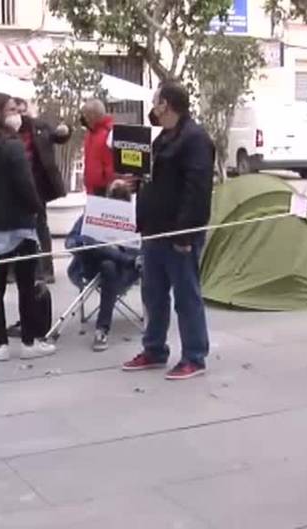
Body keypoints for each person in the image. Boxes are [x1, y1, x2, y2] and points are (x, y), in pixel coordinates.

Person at [121, 82, 214, 381]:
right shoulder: (162, 138)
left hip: (178, 233)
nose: (153, 106)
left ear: (167, 104)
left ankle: (194, 356)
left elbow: (197, 190)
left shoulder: (195, 139)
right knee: (154, 294)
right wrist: (135, 184)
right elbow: (154, 176)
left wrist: (185, 234)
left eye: (156, 101)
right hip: (153, 230)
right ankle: (154, 349)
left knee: (186, 296)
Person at [0, 93, 56, 361]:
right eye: (11, 109)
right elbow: (26, 185)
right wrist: (37, 209)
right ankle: (28, 343)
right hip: (20, 224)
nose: (17, 114)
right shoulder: (13, 146)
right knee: (26, 285)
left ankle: (2, 344)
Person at [66, 180, 139, 351]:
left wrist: (123, 248)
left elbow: (141, 249)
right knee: (100, 253)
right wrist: (89, 240)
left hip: (121, 272)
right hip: (93, 266)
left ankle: (102, 329)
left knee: (109, 265)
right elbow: (70, 241)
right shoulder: (93, 214)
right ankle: (101, 330)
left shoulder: (135, 219)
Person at [14, 98, 71, 283]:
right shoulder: (6, 132)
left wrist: (66, 131)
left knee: (40, 226)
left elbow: (58, 136)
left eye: (24, 111)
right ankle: (19, 270)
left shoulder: (39, 127)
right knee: (17, 228)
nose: (22, 115)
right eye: (17, 111)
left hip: (37, 185)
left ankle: (46, 270)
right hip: (15, 187)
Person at [81, 99, 115, 196]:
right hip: (92, 189)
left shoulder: (110, 134)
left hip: (103, 191)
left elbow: (111, 165)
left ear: (93, 116)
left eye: (86, 115)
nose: (84, 118)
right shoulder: (91, 134)